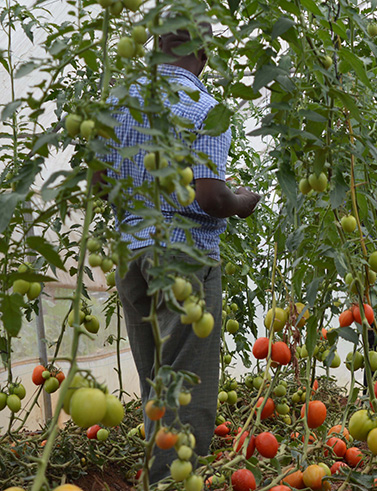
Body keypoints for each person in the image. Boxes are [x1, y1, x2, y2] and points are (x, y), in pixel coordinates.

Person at [99, 23, 260, 483]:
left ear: (156, 43)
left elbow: (98, 184)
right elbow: (210, 198)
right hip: (184, 258)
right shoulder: (206, 109)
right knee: (185, 397)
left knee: (157, 389)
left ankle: (156, 479)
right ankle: (173, 482)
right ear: (202, 51)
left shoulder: (120, 102)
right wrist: (241, 203)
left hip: (132, 257)